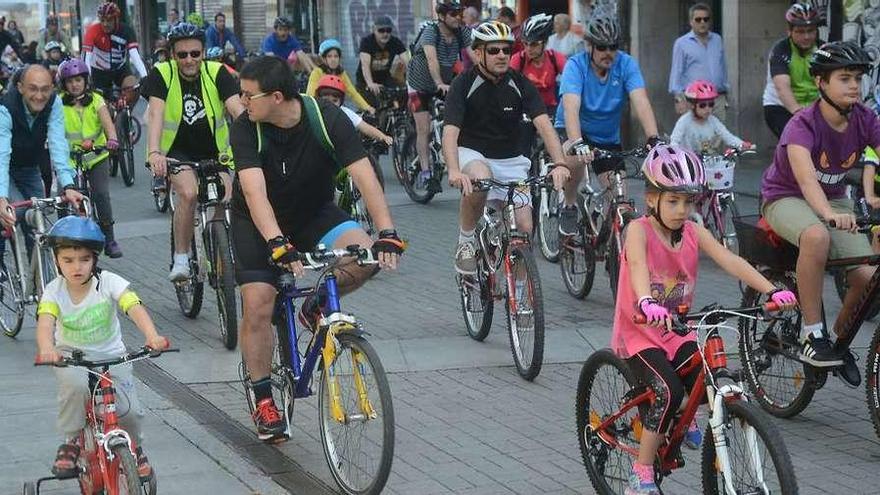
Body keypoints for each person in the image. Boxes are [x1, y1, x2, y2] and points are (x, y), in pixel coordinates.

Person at [231, 56, 404, 440]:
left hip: (314, 214)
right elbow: (253, 191)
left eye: (248, 95)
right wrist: (277, 243)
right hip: (258, 223)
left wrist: (387, 230)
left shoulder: (327, 117)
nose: (242, 102)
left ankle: (315, 307)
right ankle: (263, 399)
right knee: (259, 301)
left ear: (276, 97)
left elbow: (364, 175)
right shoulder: (246, 127)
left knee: (365, 255)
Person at [615, 145, 797, 495]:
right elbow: (638, 267)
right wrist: (646, 301)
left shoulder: (695, 233)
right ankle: (641, 473)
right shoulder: (638, 230)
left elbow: (731, 261)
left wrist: (770, 290)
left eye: (688, 201)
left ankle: (687, 415)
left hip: (677, 330)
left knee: (710, 374)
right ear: (652, 198)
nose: (682, 210)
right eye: (673, 201)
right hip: (639, 331)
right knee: (667, 391)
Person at [761, 40, 880, 386]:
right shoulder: (802, 124)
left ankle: (838, 342)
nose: (854, 86)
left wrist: (835, 209)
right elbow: (805, 179)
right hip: (785, 197)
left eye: (858, 78)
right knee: (816, 236)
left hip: (835, 201)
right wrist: (828, 213)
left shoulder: (864, 119)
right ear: (821, 83)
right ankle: (814, 336)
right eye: (845, 78)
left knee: (868, 278)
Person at [35, 215, 169, 482]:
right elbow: (45, 323)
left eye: (84, 259)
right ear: (56, 261)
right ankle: (72, 439)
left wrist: (152, 336)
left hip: (112, 357)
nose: (77, 267)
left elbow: (133, 306)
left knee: (129, 411)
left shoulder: (108, 281)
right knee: (74, 388)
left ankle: (135, 449)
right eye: (68, 260)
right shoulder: (54, 291)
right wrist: (47, 348)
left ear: (95, 259)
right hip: (71, 359)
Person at [443, 21, 571, 274]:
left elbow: (545, 126)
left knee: (524, 229)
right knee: (481, 178)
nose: (502, 55)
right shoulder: (463, 84)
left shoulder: (520, 83)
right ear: (478, 53)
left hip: (513, 160)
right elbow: (450, 132)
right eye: (494, 50)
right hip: (474, 154)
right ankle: (466, 240)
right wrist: (454, 170)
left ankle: (522, 301)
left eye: (506, 50)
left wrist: (560, 163)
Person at [143, 22, 243, 281]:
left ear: (203, 52)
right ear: (172, 54)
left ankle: (216, 242)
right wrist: (154, 152)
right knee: (188, 193)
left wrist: (254, 142)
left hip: (214, 151)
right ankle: (181, 258)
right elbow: (155, 113)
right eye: (182, 55)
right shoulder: (162, 74)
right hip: (177, 151)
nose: (189, 60)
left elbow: (236, 110)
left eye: (195, 54)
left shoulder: (218, 72)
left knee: (227, 197)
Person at [555, 15, 661, 236]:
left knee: (617, 193)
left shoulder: (626, 64)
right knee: (573, 161)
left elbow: (640, 101)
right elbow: (571, 108)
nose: (608, 53)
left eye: (613, 47)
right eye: (602, 47)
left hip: (606, 136)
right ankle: (569, 204)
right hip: (576, 130)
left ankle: (608, 240)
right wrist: (576, 142)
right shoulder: (576, 66)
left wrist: (653, 138)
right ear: (589, 46)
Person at [0, 65, 83, 244]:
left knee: (40, 213)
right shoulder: (6, 107)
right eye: (33, 89)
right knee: (14, 212)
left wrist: (68, 185)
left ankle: (38, 269)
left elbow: (58, 142)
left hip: (30, 167)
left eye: (45, 89)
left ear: (52, 88)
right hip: (5, 169)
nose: (39, 96)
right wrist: (1, 198)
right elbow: (2, 155)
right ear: (21, 87)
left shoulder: (54, 103)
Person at [57, 59, 122, 258]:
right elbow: (53, 128)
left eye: (78, 80)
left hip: (96, 155)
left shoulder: (96, 100)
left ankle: (109, 238)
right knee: (64, 197)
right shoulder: (58, 102)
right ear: (64, 84)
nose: (74, 85)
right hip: (69, 158)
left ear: (86, 81)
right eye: (69, 81)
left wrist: (112, 139)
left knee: (101, 194)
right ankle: (62, 237)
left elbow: (107, 123)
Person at [407, 1, 473, 192]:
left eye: (460, 13)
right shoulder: (431, 32)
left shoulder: (462, 32)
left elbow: (474, 57)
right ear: (442, 16)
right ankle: (426, 174)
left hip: (443, 83)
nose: (458, 17)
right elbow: (431, 59)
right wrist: (438, 84)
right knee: (424, 128)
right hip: (419, 83)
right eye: (454, 14)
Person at [763, 2, 823, 138]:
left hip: (812, 107)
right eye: (800, 32)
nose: (807, 36)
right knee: (796, 140)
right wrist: (797, 113)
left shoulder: (823, 49)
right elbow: (782, 87)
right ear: (789, 31)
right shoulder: (780, 50)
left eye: (811, 31)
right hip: (781, 106)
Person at [668, 3, 730, 122]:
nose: (702, 22)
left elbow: (723, 67)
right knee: (695, 137)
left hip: (717, 98)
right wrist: (679, 99)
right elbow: (676, 72)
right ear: (691, 22)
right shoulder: (681, 43)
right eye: (698, 19)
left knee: (719, 136)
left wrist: (726, 90)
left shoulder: (717, 40)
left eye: (706, 19)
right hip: (693, 100)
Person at [83, 1, 148, 97]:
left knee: (133, 88)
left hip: (120, 69)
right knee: (100, 101)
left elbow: (135, 56)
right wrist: (87, 78)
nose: (105, 24)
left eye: (109, 20)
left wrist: (145, 76)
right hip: (99, 72)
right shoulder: (93, 31)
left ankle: (126, 110)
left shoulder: (126, 31)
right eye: (102, 20)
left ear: (116, 19)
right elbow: (86, 58)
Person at [670, 80, 750, 155]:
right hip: (689, 161)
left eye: (711, 104)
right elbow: (674, 141)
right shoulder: (684, 121)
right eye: (702, 105)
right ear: (692, 105)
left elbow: (727, 136)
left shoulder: (713, 121)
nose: (707, 109)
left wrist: (741, 144)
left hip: (707, 160)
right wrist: (676, 155)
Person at [510, 13, 566, 117]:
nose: (528, 49)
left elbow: (572, 80)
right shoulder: (518, 59)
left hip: (549, 109)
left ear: (545, 43)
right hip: (525, 109)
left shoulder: (555, 58)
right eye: (525, 43)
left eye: (534, 44)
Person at [316, 74, 393, 147]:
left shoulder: (344, 112)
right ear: (318, 98)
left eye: (335, 100)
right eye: (326, 100)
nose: (330, 104)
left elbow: (365, 127)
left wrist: (383, 137)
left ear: (341, 102)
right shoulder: (312, 110)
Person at [306, 38, 374, 113]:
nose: (333, 59)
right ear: (323, 59)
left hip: (337, 109)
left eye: (336, 56)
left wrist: (367, 107)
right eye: (329, 56)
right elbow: (310, 95)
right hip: (320, 109)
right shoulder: (317, 72)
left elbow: (353, 93)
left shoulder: (341, 73)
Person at [356, 16, 409, 104]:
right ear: (374, 30)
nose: (385, 34)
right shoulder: (367, 42)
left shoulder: (395, 42)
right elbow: (365, 65)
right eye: (381, 30)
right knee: (374, 106)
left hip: (384, 79)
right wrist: (370, 83)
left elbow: (408, 62)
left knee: (402, 96)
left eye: (388, 30)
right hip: (365, 81)